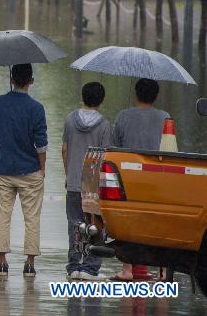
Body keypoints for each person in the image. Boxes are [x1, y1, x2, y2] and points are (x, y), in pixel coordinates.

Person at [0, 63, 47, 278]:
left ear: (12, 79)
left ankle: (2, 263)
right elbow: (41, 144)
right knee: (31, 217)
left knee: (3, 214)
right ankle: (29, 263)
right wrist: (43, 168)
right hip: (30, 169)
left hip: (3, 168)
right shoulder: (36, 108)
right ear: (31, 80)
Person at [110, 78, 169, 282]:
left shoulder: (123, 116)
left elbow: (114, 147)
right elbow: (169, 149)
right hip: (157, 176)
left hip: (129, 176)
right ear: (157, 96)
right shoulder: (165, 117)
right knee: (159, 221)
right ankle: (162, 271)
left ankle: (127, 269)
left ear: (135, 93)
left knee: (129, 223)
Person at [62, 82, 111, 281]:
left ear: (82, 97)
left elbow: (64, 149)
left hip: (74, 183)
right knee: (96, 227)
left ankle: (74, 266)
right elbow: (107, 156)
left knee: (75, 225)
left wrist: (68, 174)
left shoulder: (69, 120)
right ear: (101, 100)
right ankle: (90, 268)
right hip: (94, 188)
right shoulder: (105, 125)